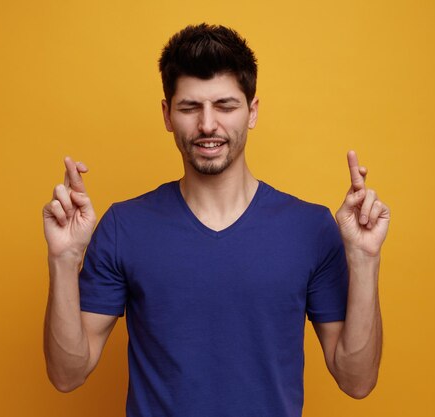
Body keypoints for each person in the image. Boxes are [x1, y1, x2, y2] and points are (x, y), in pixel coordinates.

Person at [42, 23, 390, 417]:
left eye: (225, 106)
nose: (208, 125)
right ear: (167, 115)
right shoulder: (125, 226)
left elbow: (357, 380)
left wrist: (364, 259)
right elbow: (67, 374)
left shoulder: (311, 227)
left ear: (252, 111)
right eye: (190, 107)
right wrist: (63, 259)